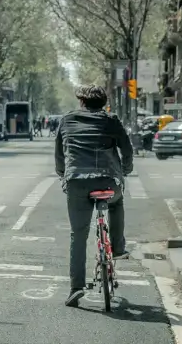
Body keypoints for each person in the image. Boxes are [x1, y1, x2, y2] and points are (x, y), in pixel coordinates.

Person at [55, 84, 134, 307]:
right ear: (103, 104)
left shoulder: (67, 120)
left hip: (77, 182)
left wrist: (63, 174)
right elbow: (127, 149)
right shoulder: (111, 120)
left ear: (81, 102)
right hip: (108, 180)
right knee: (116, 203)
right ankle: (117, 248)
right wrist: (125, 170)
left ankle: (76, 288)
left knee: (78, 234)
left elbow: (59, 154)